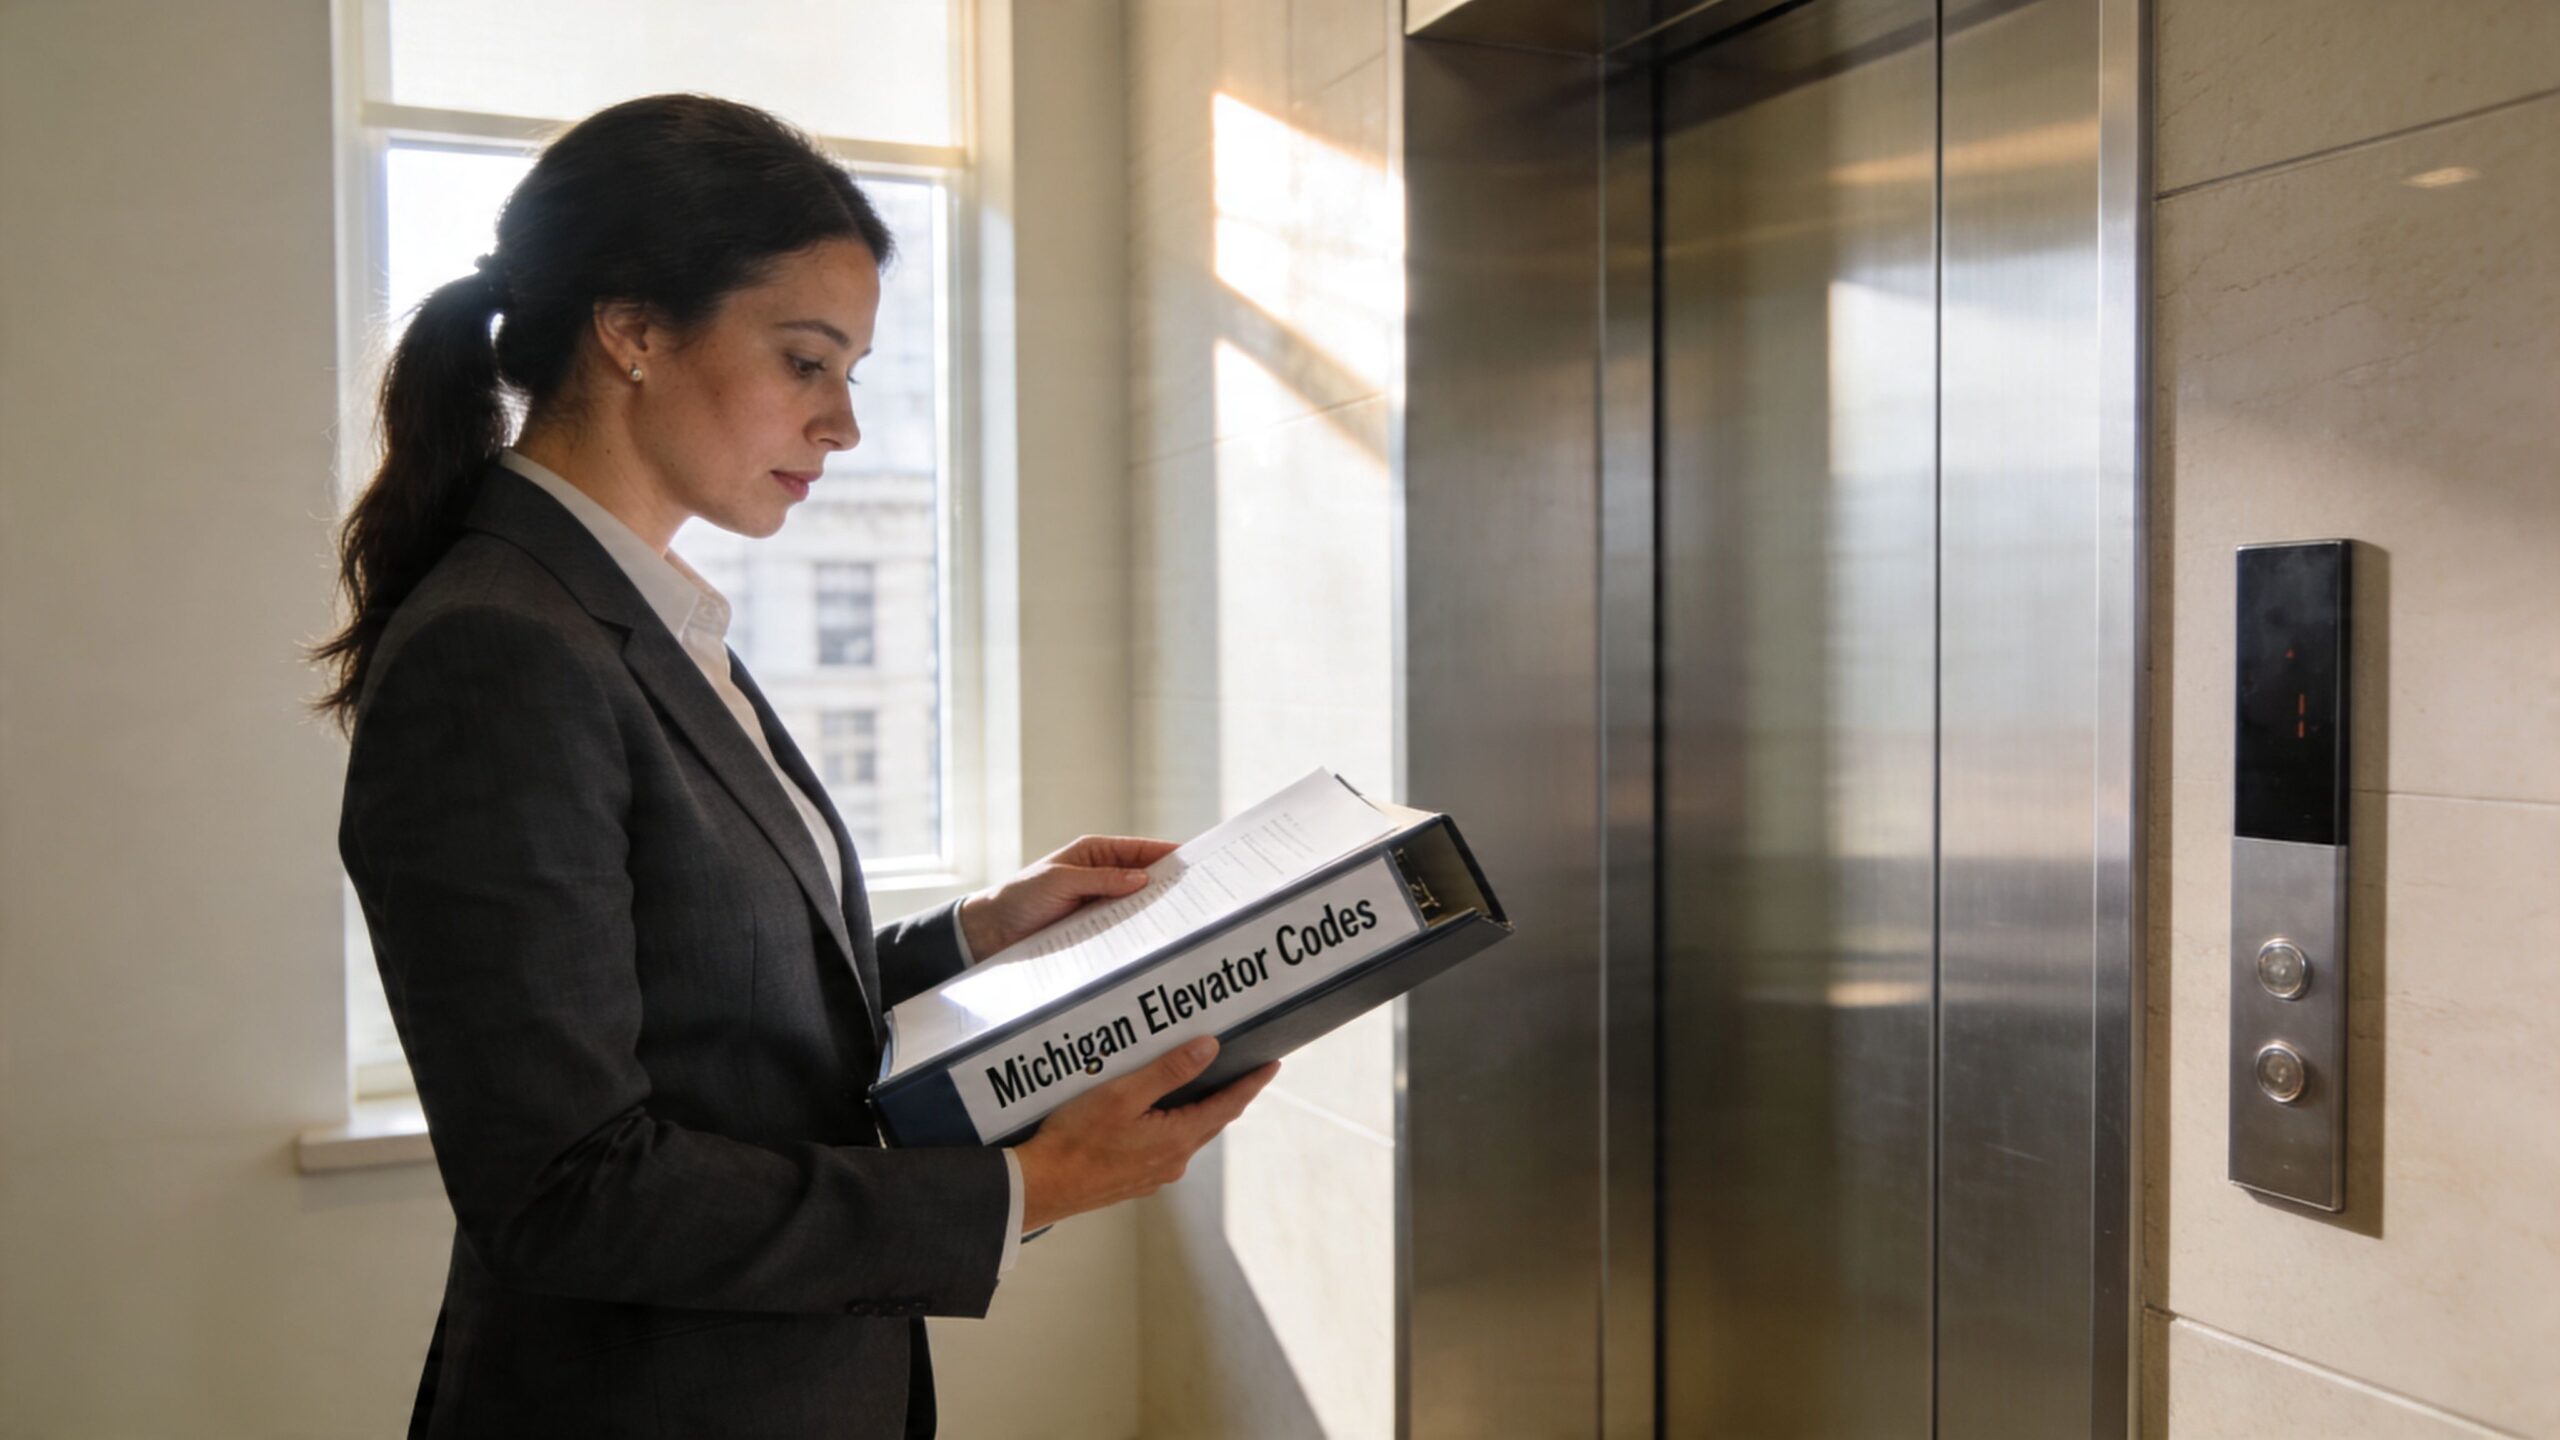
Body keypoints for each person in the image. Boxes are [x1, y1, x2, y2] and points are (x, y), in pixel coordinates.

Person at [313, 94, 1279, 1439]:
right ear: (633, 330)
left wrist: (978, 933)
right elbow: (568, 1189)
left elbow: (717, 1009)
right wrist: (1025, 1192)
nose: (844, 427)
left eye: (853, 373)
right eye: (806, 361)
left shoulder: (646, 612)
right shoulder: (504, 648)